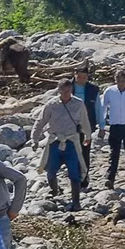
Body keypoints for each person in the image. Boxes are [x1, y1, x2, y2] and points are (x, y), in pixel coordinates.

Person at [32, 78, 92, 212]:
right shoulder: (51, 104)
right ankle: (54, 190)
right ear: (58, 90)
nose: (66, 93)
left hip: (71, 142)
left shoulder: (78, 103)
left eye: (69, 90)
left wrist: (88, 136)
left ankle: (76, 202)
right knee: (51, 170)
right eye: (63, 90)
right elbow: (40, 122)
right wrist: (34, 139)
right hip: (55, 142)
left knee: (74, 172)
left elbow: (84, 120)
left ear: (72, 90)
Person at [73, 64, 102, 189]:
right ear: (75, 75)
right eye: (79, 77)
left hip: (86, 126)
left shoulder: (93, 89)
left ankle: (84, 179)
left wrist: (101, 126)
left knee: (85, 152)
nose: (81, 80)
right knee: (72, 152)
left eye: (84, 77)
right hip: (70, 126)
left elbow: (98, 108)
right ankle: (74, 178)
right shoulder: (68, 87)